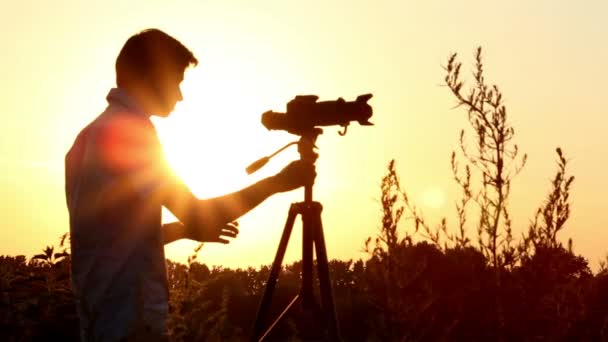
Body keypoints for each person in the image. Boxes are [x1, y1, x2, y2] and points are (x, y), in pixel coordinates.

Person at [64, 28, 315, 341]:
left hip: (99, 324)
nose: (180, 96)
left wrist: (183, 230)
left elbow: (110, 240)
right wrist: (276, 183)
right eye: (176, 81)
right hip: (132, 325)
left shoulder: (85, 140)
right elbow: (199, 213)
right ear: (150, 76)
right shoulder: (131, 134)